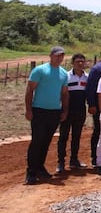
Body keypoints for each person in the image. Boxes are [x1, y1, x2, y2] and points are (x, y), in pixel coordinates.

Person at [24, 46, 69, 184]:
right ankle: (31, 171)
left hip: (54, 111)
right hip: (39, 110)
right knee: (37, 140)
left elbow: (65, 93)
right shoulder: (40, 70)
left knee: (46, 141)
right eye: (57, 55)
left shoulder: (63, 73)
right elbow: (30, 90)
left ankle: (40, 167)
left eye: (61, 56)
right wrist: (29, 109)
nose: (59, 58)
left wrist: (65, 110)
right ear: (50, 55)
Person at [56, 53, 88, 174]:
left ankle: (74, 160)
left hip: (80, 111)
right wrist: (63, 110)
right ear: (72, 63)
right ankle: (61, 162)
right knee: (63, 136)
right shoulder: (66, 76)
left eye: (82, 61)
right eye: (77, 62)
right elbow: (61, 94)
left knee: (76, 136)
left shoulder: (87, 77)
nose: (80, 64)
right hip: (67, 110)